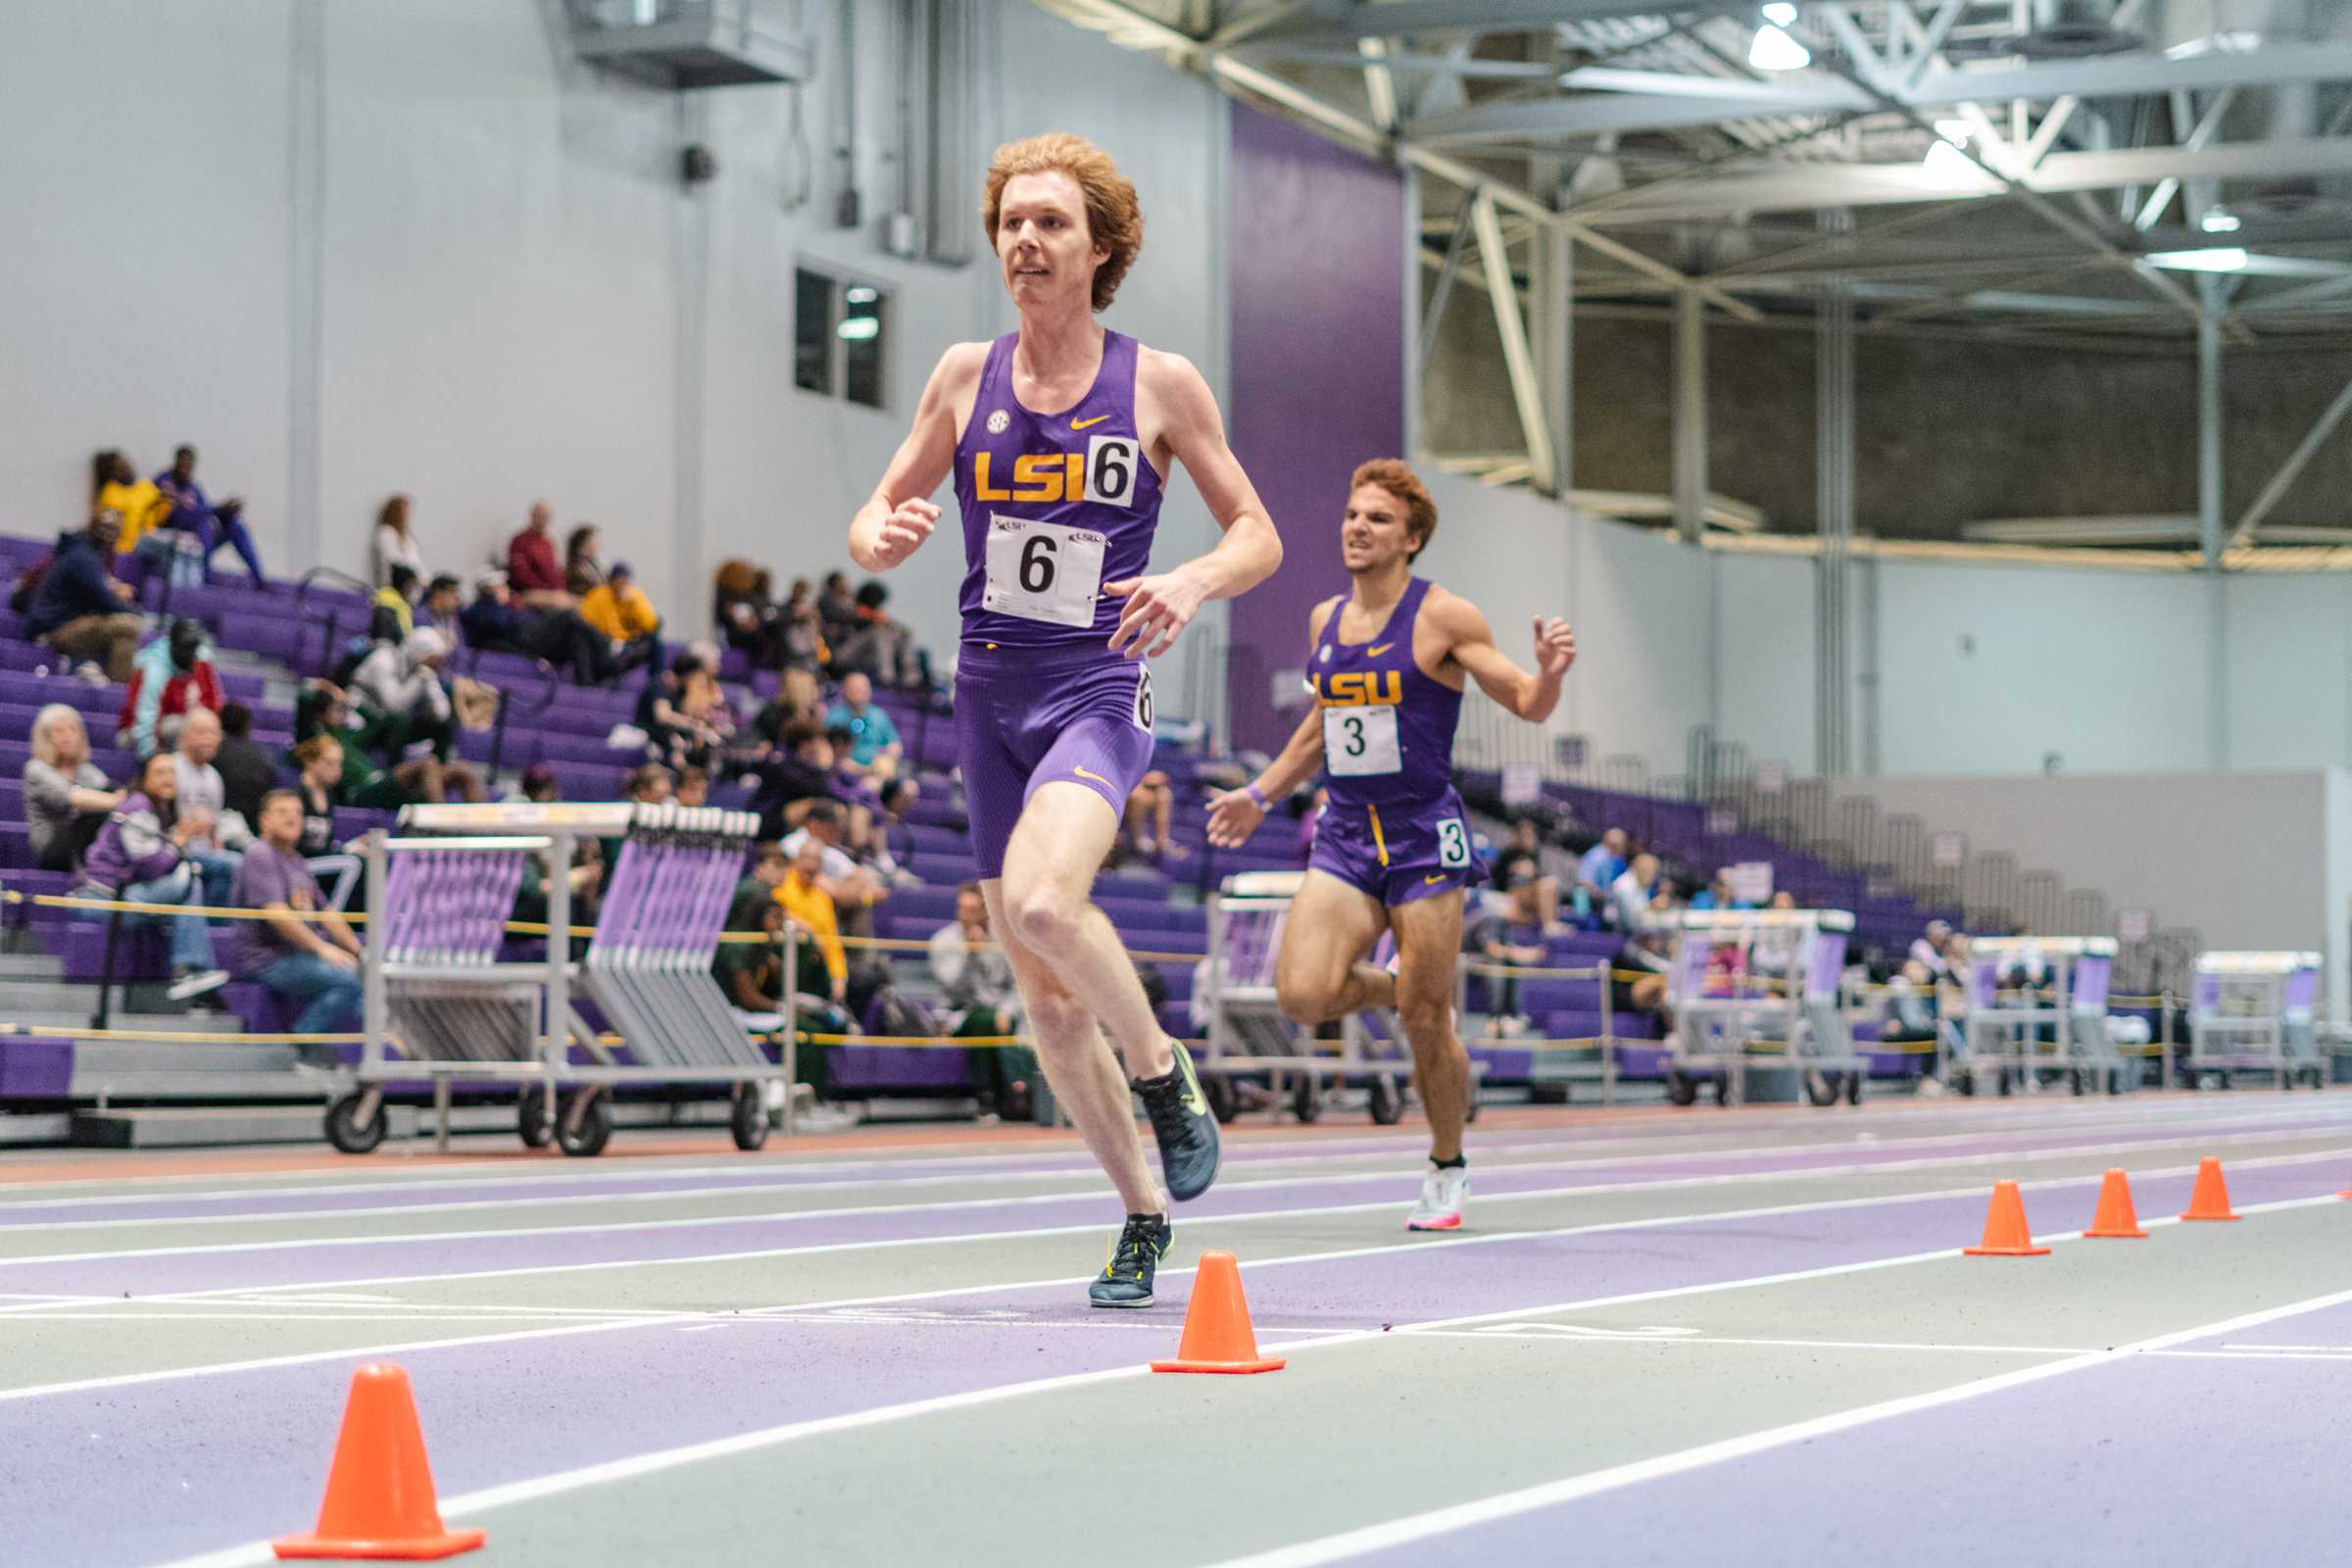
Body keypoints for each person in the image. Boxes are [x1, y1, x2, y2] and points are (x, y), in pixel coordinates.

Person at [848, 132, 1283, 1307]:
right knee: (1040, 993)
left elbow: (1259, 534)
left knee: (1044, 904)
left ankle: (1161, 1068)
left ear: (1101, 247)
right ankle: (1141, 1213)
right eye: (1011, 224)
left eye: (1050, 223)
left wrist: (1189, 582)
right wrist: (876, 534)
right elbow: (878, 505)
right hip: (989, 689)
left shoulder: (1160, 383)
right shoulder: (959, 374)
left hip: (1097, 685)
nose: (1025, 242)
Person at [1206, 457, 1575, 1233]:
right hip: (1345, 833)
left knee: (1427, 1024)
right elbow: (1318, 727)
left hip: (1421, 837)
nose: (1357, 528)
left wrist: (1547, 676)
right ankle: (1406, 987)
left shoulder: (1444, 617)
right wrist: (1259, 794)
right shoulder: (1323, 623)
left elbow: (1525, 702)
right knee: (1304, 995)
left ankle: (1446, 1165)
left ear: (1411, 539)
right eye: (1351, 514)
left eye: (1376, 519)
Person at [76, 751, 227, 1000]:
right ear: (144, 778)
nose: (168, 778)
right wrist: (180, 838)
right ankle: (190, 968)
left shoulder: (160, 810)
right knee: (188, 879)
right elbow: (150, 866)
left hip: (124, 893)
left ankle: (192, 968)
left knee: (194, 881)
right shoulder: (137, 807)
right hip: (98, 899)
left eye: (172, 773)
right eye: (159, 772)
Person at [222, 790, 365, 1036]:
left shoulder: (296, 860)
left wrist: (362, 953)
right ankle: (304, 1041)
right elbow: (277, 915)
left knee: (368, 980)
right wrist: (323, 948)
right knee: (348, 980)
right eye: (283, 812)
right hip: (269, 959)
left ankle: (372, 1053)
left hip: (299, 955)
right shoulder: (260, 854)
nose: (292, 818)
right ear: (263, 820)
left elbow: (327, 914)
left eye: (298, 812)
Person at [928, 881, 1038, 1119]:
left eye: (971, 910)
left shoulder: (1003, 940)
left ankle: (1022, 1095)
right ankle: (987, 1096)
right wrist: (971, 953)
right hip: (957, 1014)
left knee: (1017, 1020)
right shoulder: (943, 940)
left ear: (984, 911)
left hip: (1000, 1013)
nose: (964, 916)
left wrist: (1007, 1010)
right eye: (961, 909)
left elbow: (1018, 983)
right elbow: (953, 988)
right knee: (983, 1021)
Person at [26, 508, 143, 681]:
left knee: (124, 636)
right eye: (104, 528)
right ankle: (120, 694)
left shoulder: (88, 553)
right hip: (55, 628)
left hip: (69, 622)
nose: (108, 534)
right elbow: (104, 601)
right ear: (92, 528)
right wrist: (136, 612)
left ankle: (117, 692)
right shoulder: (83, 557)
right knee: (129, 625)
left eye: (113, 530)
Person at [24, 704, 121, 873]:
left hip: (84, 843)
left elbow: (106, 790)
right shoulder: (36, 768)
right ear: (45, 737)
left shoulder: (87, 770)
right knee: (97, 814)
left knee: (111, 803)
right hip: (53, 847)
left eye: (72, 730)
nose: (66, 736)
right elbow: (69, 798)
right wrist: (120, 802)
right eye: (58, 731)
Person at [154, 444, 268, 586]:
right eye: (183, 462)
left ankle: (259, 578)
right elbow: (180, 515)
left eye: (190, 464)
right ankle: (203, 579)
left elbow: (204, 511)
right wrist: (219, 509)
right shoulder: (164, 481)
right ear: (176, 461)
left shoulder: (194, 488)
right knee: (203, 525)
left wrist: (225, 512)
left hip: (196, 541)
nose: (186, 467)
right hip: (173, 537)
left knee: (233, 525)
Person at [172, 707, 251, 906]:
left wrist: (217, 846)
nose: (208, 739)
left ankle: (213, 926)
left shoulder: (214, 777)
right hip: (175, 849)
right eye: (201, 732)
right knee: (235, 864)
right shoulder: (171, 768)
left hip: (205, 853)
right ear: (183, 737)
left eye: (214, 733)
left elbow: (214, 828)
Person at [349, 626, 456, 764]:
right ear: (420, 652)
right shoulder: (383, 659)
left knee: (444, 726)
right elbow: (393, 707)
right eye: (432, 659)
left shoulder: (423, 669)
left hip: (390, 726)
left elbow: (442, 713)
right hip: (364, 718)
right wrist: (421, 676)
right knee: (401, 720)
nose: (436, 665)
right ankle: (395, 775)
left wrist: (427, 678)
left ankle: (439, 771)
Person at [119, 617, 222, 758]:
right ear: (172, 645)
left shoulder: (202, 658)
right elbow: (145, 718)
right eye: (186, 647)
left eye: (194, 647)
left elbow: (214, 704)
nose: (191, 653)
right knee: (175, 727)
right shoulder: (154, 668)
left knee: (207, 731)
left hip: (181, 727)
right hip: (136, 731)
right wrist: (150, 759)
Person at [578, 561, 661, 682]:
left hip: (628, 643)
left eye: (625, 581)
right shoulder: (599, 595)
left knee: (654, 641)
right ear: (612, 580)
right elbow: (584, 620)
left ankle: (656, 683)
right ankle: (606, 681)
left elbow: (651, 624)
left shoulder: (635, 596)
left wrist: (633, 603)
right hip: (604, 642)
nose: (621, 584)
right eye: (619, 580)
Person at [212, 703, 278, 829]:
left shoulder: (215, 751)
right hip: (252, 822)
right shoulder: (263, 753)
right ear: (247, 725)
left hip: (225, 820)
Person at [824, 671, 902, 778]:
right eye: (856, 687)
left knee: (909, 787)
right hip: (844, 771)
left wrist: (886, 758)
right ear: (845, 690)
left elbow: (895, 744)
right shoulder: (833, 716)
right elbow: (825, 749)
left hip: (875, 771)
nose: (862, 691)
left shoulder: (879, 714)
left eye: (865, 687)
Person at [507, 502, 573, 609]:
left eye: (546, 517)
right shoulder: (519, 541)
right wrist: (549, 590)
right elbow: (521, 576)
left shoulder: (548, 542)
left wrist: (561, 589)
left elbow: (557, 571)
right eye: (540, 516)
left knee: (582, 604)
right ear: (532, 516)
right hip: (529, 592)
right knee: (563, 603)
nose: (543, 521)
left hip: (551, 592)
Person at [1122, 769, 1184, 862]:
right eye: (1151, 787)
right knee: (1139, 796)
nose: (1156, 790)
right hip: (1123, 818)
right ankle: (1139, 837)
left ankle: (1162, 838)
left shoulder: (1163, 794)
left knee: (1164, 795)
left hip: (1144, 831)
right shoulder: (1137, 792)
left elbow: (1159, 782)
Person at [371, 495, 426, 587]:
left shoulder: (408, 537)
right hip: (396, 583)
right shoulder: (386, 533)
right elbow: (393, 560)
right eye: (403, 510)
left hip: (414, 583)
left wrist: (425, 579)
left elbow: (416, 561)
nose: (406, 514)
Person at [1577, 827, 1629, 922]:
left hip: (1612, 901)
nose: (1622, 848)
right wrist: (1604, 897)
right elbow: (1584, 881)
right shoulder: (1596, 856)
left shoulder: (1618, 859)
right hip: (1596, 902)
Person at [564, 524, 607, 599]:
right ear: (583, 545)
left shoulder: (593, 566)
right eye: (592, 541)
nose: (596, 545)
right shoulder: (575, 570)